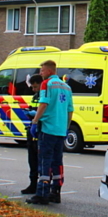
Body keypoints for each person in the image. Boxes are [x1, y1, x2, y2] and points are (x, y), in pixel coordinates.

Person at [26, 60, 74, 205]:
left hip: (47, 128)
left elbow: (44, 104)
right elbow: (70, 110)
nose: (40, 73)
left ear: (49, 71)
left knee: (44, 161)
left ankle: (42, 193)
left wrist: (34, 122)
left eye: (42, 70)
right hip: (60, 129)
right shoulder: (66, 87)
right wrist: (66, 127)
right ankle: (56, 191)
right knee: (57, 162)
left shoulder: (47, 84)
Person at [20, 73, 43, 195]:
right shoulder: (34, 96)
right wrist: (29, 112)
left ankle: (40, 186)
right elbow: (32, 108)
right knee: (32, 159)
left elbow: (43, 112)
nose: (34, 89)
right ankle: (32, 184)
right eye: (32, 87)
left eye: (35, 87)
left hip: (40, 130)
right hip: (32, 129)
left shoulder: (44, 96)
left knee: (40, 160)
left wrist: (34, 114)